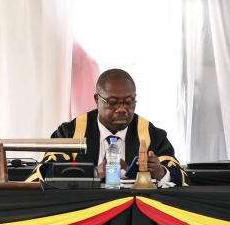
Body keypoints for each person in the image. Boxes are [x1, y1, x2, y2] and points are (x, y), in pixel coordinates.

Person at [38, 68, 185, 185]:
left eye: (129, 102)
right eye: (113, 102)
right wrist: (94, 173)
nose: (122, 109)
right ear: (97, 99)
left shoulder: (151, 134)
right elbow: (47, 171)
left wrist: (160, 172)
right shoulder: (70, 132)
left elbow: (180, 176)